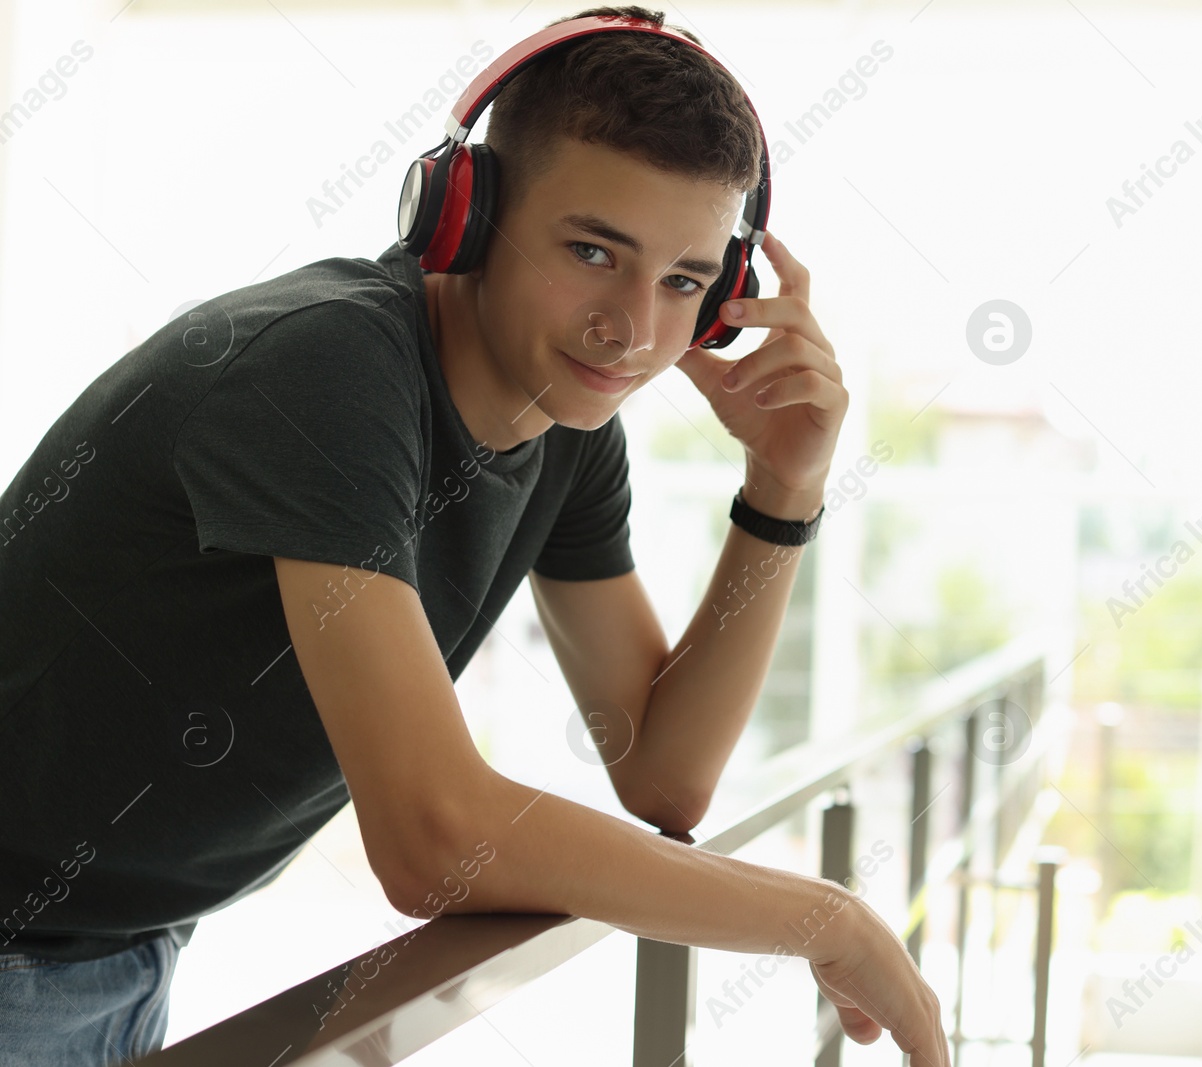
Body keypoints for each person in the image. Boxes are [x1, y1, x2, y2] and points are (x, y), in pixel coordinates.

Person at [0, 6, 950, 1066]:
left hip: (106, 948)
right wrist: (821, 917)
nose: (633, 329)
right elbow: (433, 834)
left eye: (685, 280)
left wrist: (784, 487)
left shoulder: (566, 429)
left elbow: (663, 772)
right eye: (594, 251)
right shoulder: (325, 368)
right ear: (463, 215)